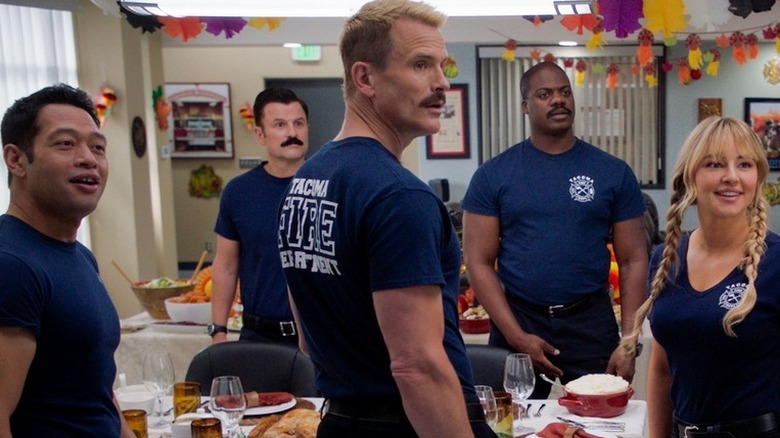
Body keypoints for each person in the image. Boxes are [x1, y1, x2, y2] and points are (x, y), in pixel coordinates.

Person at [277, 1, 495, 437]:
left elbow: (308, 339)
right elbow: (417, 368)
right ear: (365, 78)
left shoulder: (305, 181)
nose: (442, 82)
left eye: (442, 65)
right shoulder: (399, 196)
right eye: (421, 65)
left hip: (341, 422)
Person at [462, 61, 649, 399]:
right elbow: (478, 262)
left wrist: (629, 341)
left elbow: (634, 259)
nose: (558, 100)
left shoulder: (612, 172)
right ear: (525, 106)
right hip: (518, 320)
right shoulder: (493, 175)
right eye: (545, 94)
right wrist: (516, 336)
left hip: (590, 324)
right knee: (511, 422)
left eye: (564, 92)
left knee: (602, 422)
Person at [621, 116, 780, 437]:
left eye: (744, 164)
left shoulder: (775, 262)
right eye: (715, 164)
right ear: (689, 176)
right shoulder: (666, 259)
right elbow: (662, 369)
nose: (731, 176)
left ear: (757, 177)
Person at [0, 84, 134, 437]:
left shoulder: (80, 256)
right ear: (16, 160)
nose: (88, 158)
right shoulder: (11, 265)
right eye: (65, 143)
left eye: (98, 147)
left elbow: (95, 391)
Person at [209, 88, 309, 344]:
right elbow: (226, 265)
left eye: (299, 123)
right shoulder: (239, 192)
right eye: (280, 125)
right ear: (260, 135)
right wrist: (218, 330)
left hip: (320, 338)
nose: (292, 133)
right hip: (259, 337)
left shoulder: (331, 185)